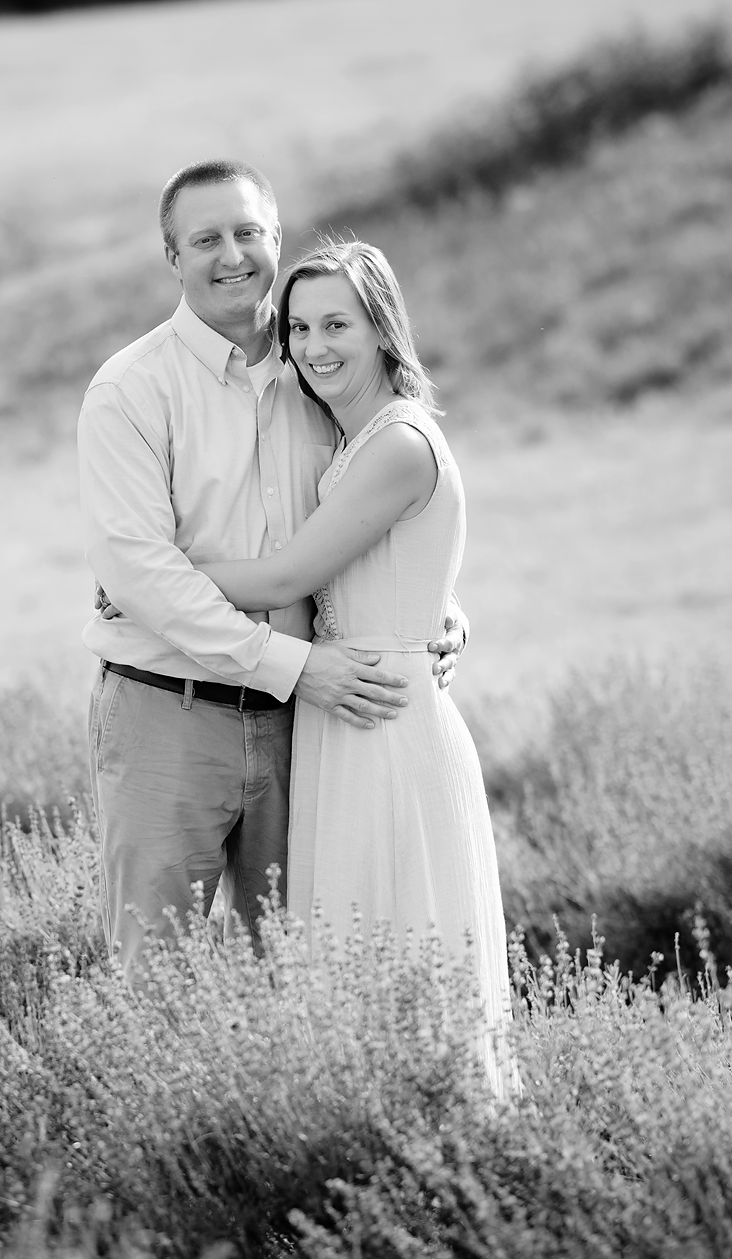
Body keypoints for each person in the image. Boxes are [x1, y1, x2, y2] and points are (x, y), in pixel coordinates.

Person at [77, 160, 466, 981]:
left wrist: (436, 608)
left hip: (309, 735)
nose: (231, 255)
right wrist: (296, 666)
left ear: (276, 239)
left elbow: (370, 521)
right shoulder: (131, 390)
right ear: (172, 257)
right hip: (168, 719)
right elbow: (142, 573)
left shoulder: (321, 378)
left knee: (297, 982)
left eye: (248, 233)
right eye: (205, 238)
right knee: (156, 981)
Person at [189, 240, 510, 1095]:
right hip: (343, 716)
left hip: (385, 724)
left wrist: (153, 576)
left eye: (338, 323)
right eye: (298, 327)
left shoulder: (399, 444)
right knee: (354, 959)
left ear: (382, 330)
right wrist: (443, 611)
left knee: (404, 948)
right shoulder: (355, 437)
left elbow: (291, 575)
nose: (315, 345)